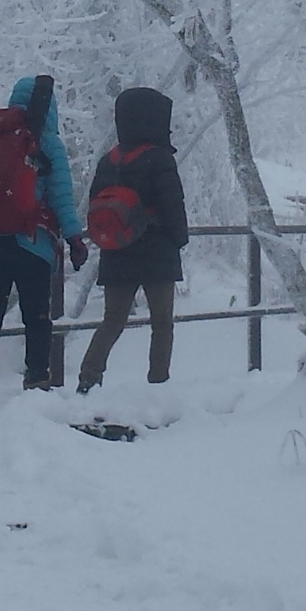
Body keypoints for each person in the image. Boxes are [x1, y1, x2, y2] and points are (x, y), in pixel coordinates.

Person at [0, 74, 87, 412]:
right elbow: (61, 197)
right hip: (30, 244)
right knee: (36, 316)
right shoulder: (46, 142)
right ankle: (37, 386)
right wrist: (75, 239)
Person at [76, 85, 188, 393]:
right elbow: (172, 205)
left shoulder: (108, 161)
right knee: (162, 321)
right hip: (157, 251)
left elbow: (95, 205)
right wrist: (179, 239)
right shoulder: (161, 159)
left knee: (112, 319)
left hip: (117, 249)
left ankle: (89, 377)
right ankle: (158, 383)